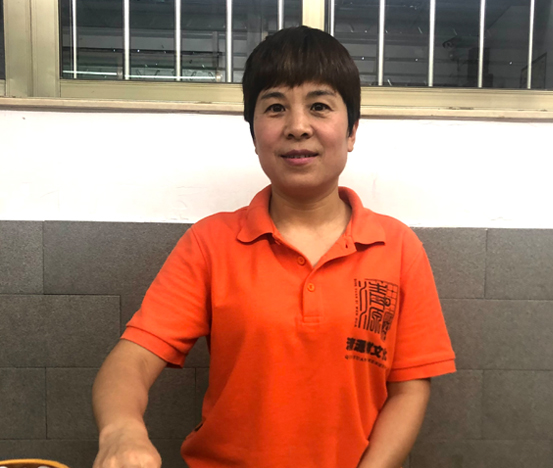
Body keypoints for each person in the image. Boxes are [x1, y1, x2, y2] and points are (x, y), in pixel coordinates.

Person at [92, 26, 455, 468]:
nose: (297, 127)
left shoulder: (398, 248)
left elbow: (410, 388)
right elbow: (131, 360)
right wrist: (121, 431)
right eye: (275, 107)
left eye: (319, 106)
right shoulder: (210, 243)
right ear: (253, 133)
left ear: (352, 131)